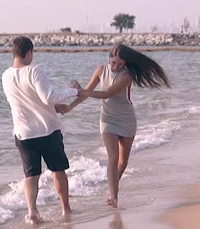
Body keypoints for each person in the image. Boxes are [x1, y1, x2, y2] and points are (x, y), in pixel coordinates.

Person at [63, 44, 170, 208]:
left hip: (126, 120)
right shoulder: (100, 70)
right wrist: (70, 107)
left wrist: (80, 90)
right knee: (112, 157)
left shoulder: (126, 76)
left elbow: (106, 94)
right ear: (109, 59)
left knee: (122, 162)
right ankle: (114, 197)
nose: (116, 67)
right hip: (107, 119)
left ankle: (112, 188)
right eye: (113, 63)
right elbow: (88, 92)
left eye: (120, 64)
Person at [1, 36, 79, 224]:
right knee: (58, 170)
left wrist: (53, 107)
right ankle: (65, 209)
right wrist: (73, 91)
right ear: (29, 52)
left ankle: (32, 212)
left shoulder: (5, 76)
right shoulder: (35, 70)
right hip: (47, 130)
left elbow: (25, 101)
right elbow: (47, 97)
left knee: (31, 176)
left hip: (23, 133)